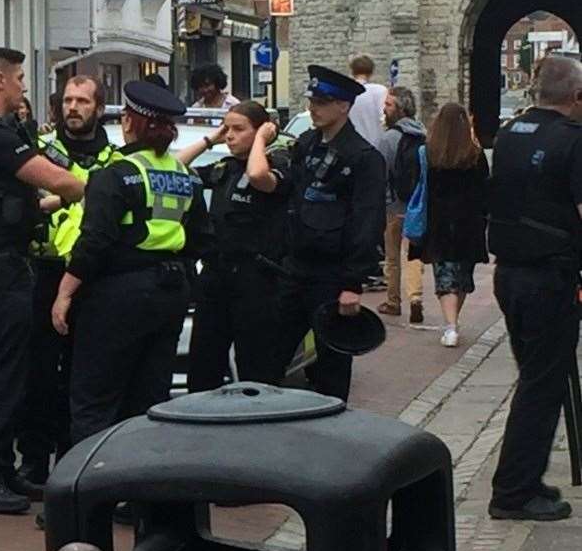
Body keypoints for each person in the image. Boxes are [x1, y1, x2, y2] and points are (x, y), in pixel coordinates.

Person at [0, 47, 85, 515]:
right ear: (1, 81)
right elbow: (64, 182)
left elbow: (20, 198)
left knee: (13, 371)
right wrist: (80, 184)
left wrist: (36, 206)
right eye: (21, 78)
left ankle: (1, 469)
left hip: (3, 262)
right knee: (2, 373)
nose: (25, 86)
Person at [52, 81, 206, 442]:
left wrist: (65, 292)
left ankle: (91, 493)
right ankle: (140, 491)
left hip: (117, 295)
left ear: (129, 123)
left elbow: (95, 242)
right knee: (148, 401)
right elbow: (201, 240)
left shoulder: (116, 175)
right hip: (170, 293)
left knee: (95, 401)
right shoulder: (187, 177)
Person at [486, 55, 582, 522]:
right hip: (550, 276)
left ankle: (522, 477)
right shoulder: (572, 141)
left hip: (510, 272)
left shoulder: (509, 135)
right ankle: (513, 491)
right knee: (542, 385)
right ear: (576, 97)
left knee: (535, 379)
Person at [15, 76, 116, 498]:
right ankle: (33, 463)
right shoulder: (38, 151)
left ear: (98, 107)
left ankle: (72, 467)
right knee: (36, 376)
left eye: (83, 101)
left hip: (91, 278)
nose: (74, 107)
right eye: (68, 100)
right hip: (43, 271)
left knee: (83, 381)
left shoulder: (114, 159)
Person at [269, 65, 387, 403]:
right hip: (295, 268)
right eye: (312, 101)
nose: (313, 109)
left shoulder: (364, 158)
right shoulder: (306, 144)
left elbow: (366, 222)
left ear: (344, 107)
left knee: (331, 368)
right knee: (270, 359)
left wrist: (353, 283)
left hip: (332, 276)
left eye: (322, 102)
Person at [179, 101, 291, 390]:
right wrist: (209, 139)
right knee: (203, 367)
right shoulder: (223, 168)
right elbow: (176, 167)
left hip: (256, 281)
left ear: (261, 132)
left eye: (238, 129)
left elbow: (257, 177)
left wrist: (264, 140)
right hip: (216, 277)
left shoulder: (279, 163)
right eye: (226, 129)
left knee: (256, 368)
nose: (229, 135)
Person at [409, 102, 489, 349]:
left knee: (445, 276)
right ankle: (453, 322)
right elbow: (485, 190)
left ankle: (451, 325)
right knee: (462, 275)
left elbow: (416, 185)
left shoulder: (428, 153)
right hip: (469, 223)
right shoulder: (475, 155)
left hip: (439, 221)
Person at [378, 86, 426, 325]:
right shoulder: (423, 134)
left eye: (388, 105)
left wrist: (384, 203)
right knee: (413, 255)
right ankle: (416, 298)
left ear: (398, 109)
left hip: (394, 206)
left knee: (393, 257)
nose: (384, 109)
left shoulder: (387, 139)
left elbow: (381, 174)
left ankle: (393, 301)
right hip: (417, 206)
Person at [347, 54, 388, 151]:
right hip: (377, 146)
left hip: (352, 148)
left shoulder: (346, 92)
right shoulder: (380, 91)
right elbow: (385, 119)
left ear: (352, 71)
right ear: (371, 72)